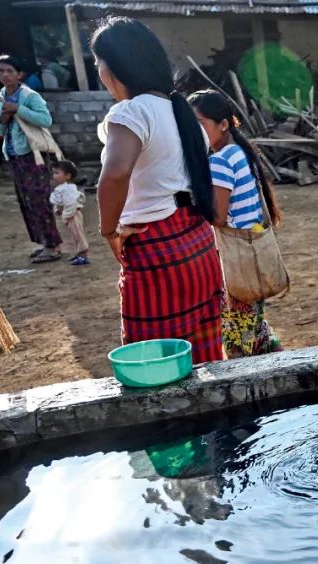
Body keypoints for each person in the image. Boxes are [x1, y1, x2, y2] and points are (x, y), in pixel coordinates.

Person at [92, 17, 224, 364]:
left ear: (115, 66)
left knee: (154, 365)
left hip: (156, 252)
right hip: (198, 244)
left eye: (98, 62)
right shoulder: (182, 114)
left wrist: (109, 231)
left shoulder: (131, 112)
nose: (98, 70)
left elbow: (115, 174)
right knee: (206, 359)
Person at [189, 90, 284, 358]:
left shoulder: (220, 160)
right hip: (253, 257)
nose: (195, 131)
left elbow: (217, 217)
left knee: (236, 345)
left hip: (236, 264)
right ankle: (293, 366)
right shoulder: (239, 152)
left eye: (200, 124)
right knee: (257, 330)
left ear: (223, 124)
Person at [0, 55, 64, 262]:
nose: (5, 74)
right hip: (14, 154)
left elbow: (45, 120)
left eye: (9, 71)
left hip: (34, 154)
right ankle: (44, 243)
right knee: (27, 201)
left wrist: (18, 110)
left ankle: (52, 245)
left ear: (19, 74)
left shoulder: (29, 96)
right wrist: (3, 118)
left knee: (39, 199)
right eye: (1, 70)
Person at [49, 159, 89, 266]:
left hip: (73, 215)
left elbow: (72, 203)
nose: (54, 175)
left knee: (78, 234)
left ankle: (83, 255)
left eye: (57, 173)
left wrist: (66, 215)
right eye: (54, 173)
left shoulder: (69, 189)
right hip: (69, 214)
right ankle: (80, 253)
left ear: (67, 176)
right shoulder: (62, 189)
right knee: (75, 235)